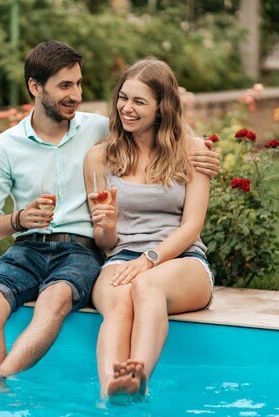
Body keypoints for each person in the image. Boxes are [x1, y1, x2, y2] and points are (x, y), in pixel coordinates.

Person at [0, 41, 219, 394]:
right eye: (65, 86)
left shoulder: (108, 131)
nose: (76, 95)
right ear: (36, 88)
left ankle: (136, 376)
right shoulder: (24, 149)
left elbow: (190, 219)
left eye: (79, 84)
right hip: (63, 250)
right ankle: (101, 387)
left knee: (129, 289)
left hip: (126, 255)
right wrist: (23, 218)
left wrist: (203, 151)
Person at [83, 57, 214, 402]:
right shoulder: (100, 157)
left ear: (162, 107)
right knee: (118, 304)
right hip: (122, 259)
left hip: (182, 261)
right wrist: (106, 227)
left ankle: (138, 373)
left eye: (139, 101)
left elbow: (192, 227)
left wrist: (149, 259)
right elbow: (105, 242)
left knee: (146, 285)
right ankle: (111, 387)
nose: (127, 108)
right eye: (123, 98)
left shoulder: (193, 152)